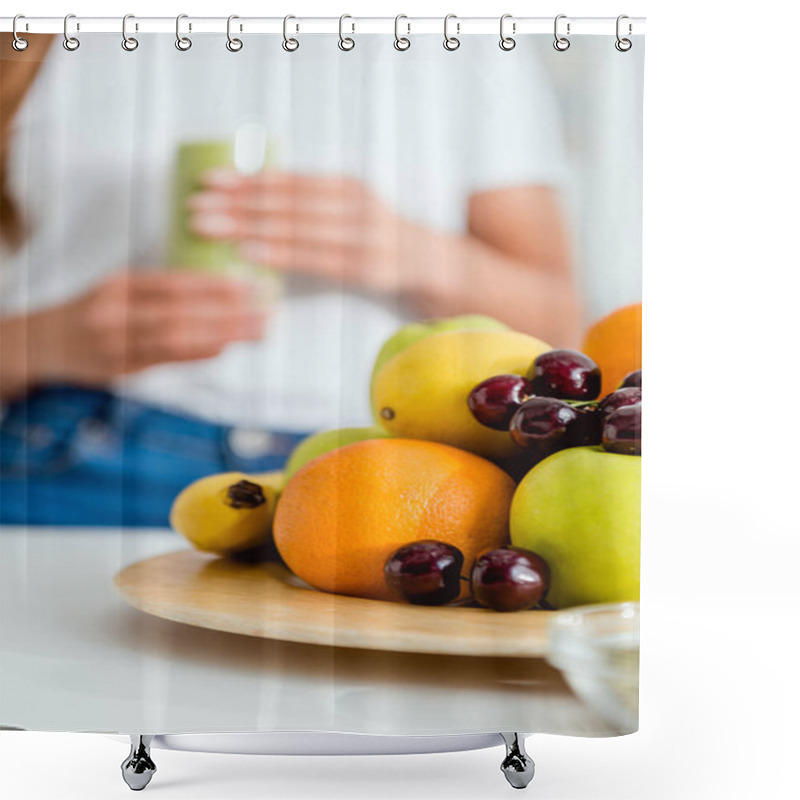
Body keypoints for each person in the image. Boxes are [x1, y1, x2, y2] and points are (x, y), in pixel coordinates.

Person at [0, 31, 578, 526]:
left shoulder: (453, 39)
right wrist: (46, 339)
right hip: (73, 455)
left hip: (377, 468)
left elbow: (558, 332)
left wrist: (416, 253)